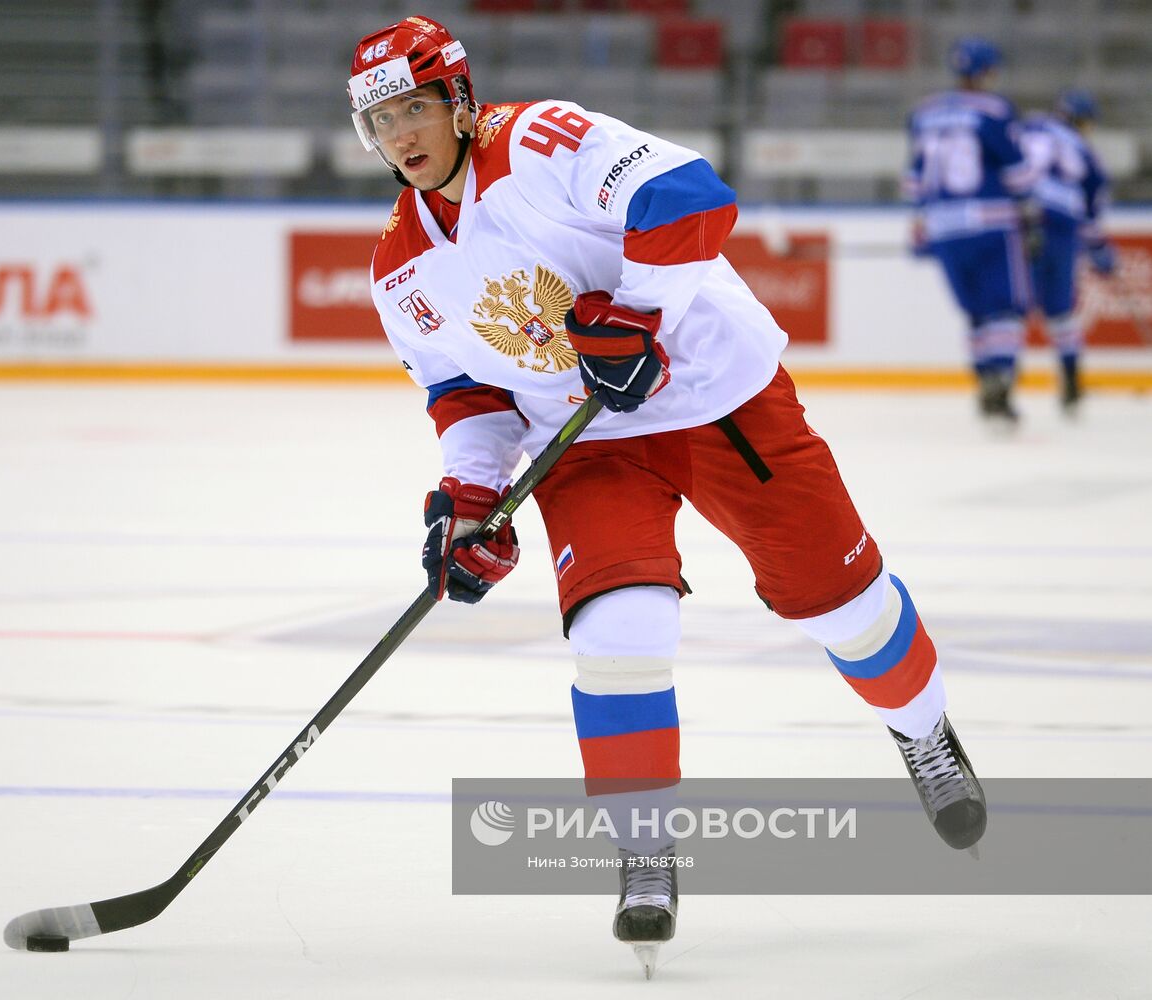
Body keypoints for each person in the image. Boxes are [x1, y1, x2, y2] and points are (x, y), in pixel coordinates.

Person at [350, 15, 986, 977]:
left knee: (847, 613)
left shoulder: (537, 142)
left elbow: (688, 194)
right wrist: (468, 501)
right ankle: (644, 854)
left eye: (413, 107)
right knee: (618, 634)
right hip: (592, 439)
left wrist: (637, 315)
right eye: (379, 121)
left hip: (719, 396)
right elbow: (466, 395)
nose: (400, 134)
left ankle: (924, 730)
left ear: (458, 99)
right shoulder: (399, 266)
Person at [905, 37, 1038, 426]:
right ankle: (1003, 381)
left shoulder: (923, 112)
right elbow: (1020, 173)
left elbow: (915, 180)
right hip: (992, 222)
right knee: (1006, 309)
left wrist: (921, 226)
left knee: (975, 313)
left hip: (943, 228)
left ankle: (983, 380)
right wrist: (1030, 215)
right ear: (988, 71)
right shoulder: (995, 109)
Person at [1021, 89, 1115, 414]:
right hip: (1061, 230)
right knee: (1060, 311)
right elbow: (1091, 214)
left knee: (1011, 309)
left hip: (1022, 224)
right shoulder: (1089, 158)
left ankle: (1001, 381)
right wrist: (1100, 249)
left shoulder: (1030, 126)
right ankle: (1072, 379)